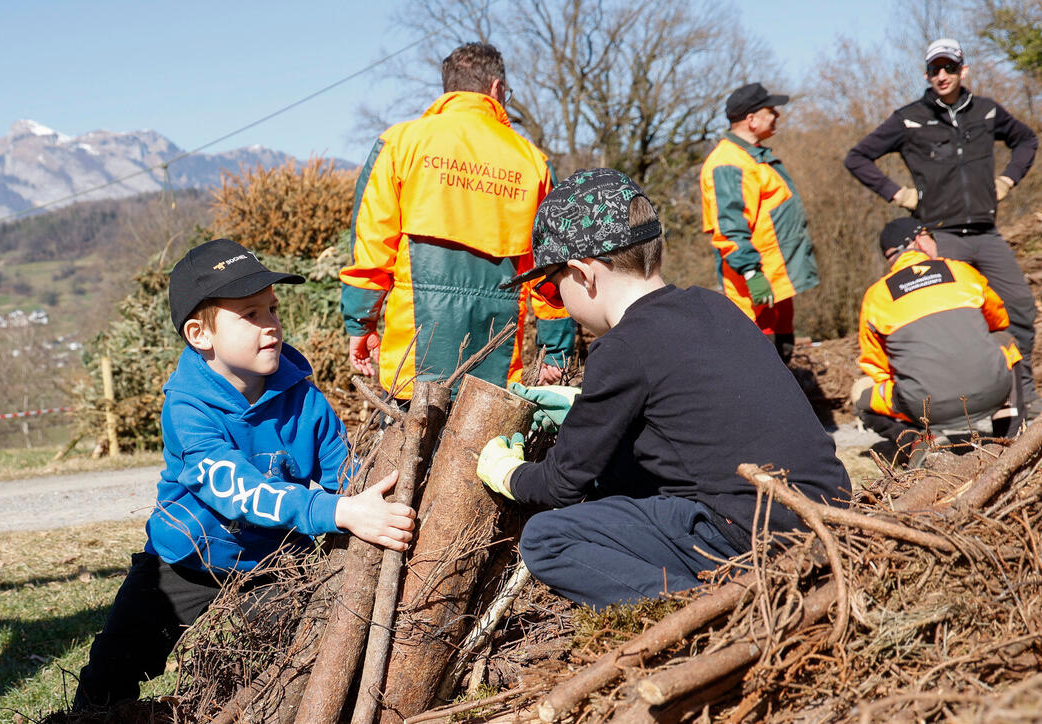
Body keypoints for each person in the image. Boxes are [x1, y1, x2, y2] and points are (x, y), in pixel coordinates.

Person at [474, 169, 850, 609]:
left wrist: (507, 473)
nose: (557, 305)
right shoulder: (715, 307)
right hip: (824, 516)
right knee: (617, 474)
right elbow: (688, 408)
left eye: (553, 292)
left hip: (748, 536)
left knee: (546, 539)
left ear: (583, 274)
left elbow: (560, 485)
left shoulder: (622, 347)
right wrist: (583, 405)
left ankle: (704, 610)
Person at [73, 239, 415, 710]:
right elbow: (237, 489)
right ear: (200, 334)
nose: (271, 325)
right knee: (112, 666)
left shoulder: (302, 397)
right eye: (250, 314)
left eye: (272, 309)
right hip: (185, 561)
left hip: (275, 564)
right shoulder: (187, 407)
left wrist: (368, 501)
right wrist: (337, 511)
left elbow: (348, 472)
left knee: (282, 662)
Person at [340, 41, 575, 400]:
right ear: (496, 88)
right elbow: (551, 273)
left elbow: (371, 247)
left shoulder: (400, 144)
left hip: (413, 362)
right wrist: (556, 351)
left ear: (449, 88)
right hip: (494, 372)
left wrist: (361, 323)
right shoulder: (533, 162)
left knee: (408, 452)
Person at [845, 38, 1039, 409]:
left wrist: (1008, 180)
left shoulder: (986, 111)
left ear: (962, 70)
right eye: (935, 69)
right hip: (942, 238)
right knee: (951, 317)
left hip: (986, 232)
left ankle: (1021, 398)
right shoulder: (909, 117)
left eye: (949, 67)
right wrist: (899, 194)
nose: (942, 75)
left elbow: (1027, 140)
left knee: (1018, 308)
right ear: (927, 74)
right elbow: (857, 157)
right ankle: (963, 401)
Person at [852, 218, 1024, 463]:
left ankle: (912, 442)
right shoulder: (959, 270)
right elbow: (998, 321)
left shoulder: (876, 296)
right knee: (1007, 343)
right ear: (920, 240)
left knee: (862, 402)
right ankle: (1010, 439)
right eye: (931, 237)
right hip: (991, 392)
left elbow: (876, 366)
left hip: (923, 407)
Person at [700, 82, 820, 363]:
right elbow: (729, 228)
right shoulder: (728, 163)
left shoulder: (753, 157)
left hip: (775, 283)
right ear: (751, 119)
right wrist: (752, 274)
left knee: (779, 359)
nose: (777, 114)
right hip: (755, 288)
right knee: (756, 361)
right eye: (771, 110)